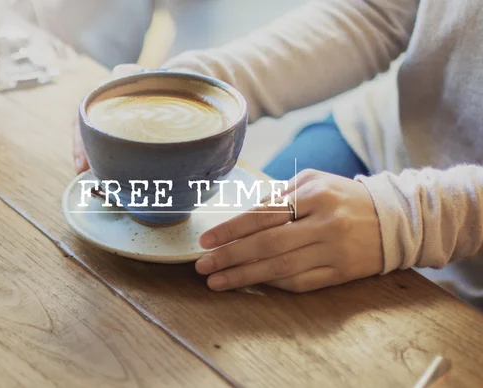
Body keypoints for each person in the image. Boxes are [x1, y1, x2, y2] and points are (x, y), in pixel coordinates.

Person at [73, 0, 483, 308]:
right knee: (211, 284)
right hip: (375, 139)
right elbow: (375, 12)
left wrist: (417, 219)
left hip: (459, 234)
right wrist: (205, 83)